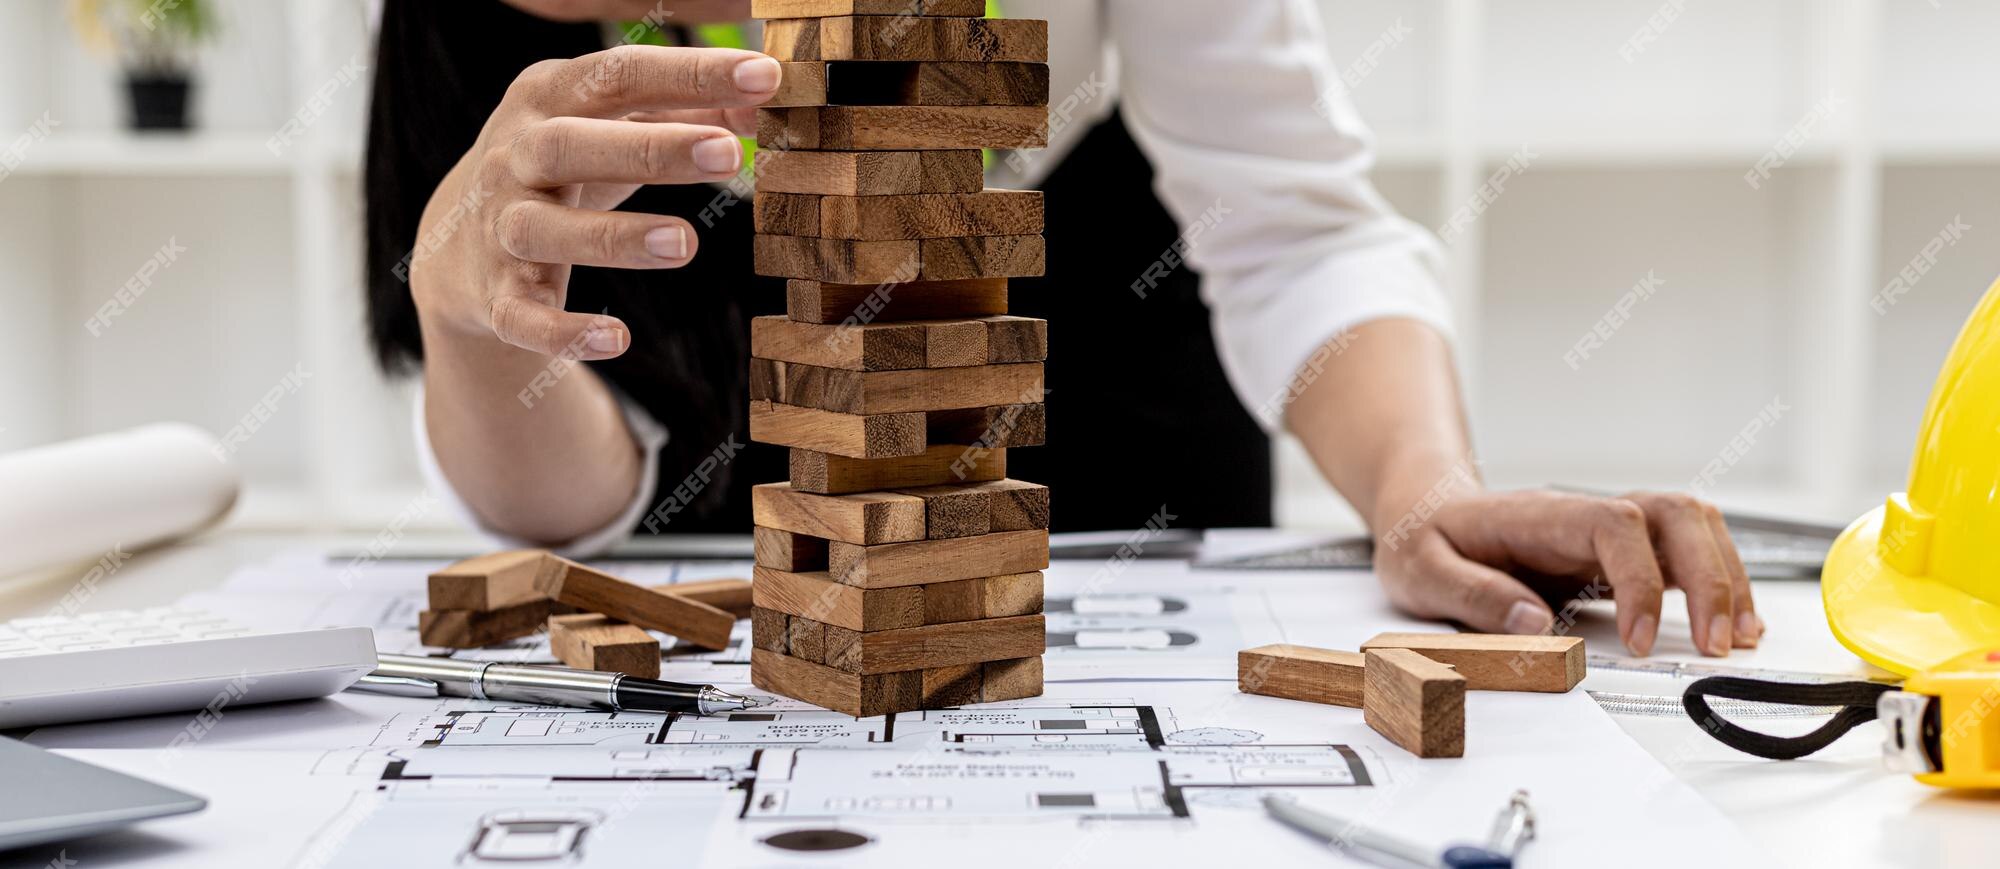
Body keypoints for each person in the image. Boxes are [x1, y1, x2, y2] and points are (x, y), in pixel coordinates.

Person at [362, 0, 1761, 658]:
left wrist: (1422, 487)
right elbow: (586, 503)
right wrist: (473, 325)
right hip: (748, 482)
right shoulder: (491, 35)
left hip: (1112, 323)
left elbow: (1298, 228)